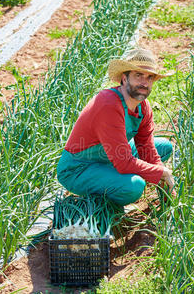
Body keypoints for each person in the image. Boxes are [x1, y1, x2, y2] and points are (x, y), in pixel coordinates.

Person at [57, 48, 175, 207]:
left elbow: (146, 148)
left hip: (112, 155)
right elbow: (123, 162)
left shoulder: (143, 107)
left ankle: (113, 180)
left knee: (165, 147)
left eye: (150, 77)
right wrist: (159, 172)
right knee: (134, 187)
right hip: (80, 167)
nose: (144, 83)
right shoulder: (108, 104)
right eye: (138, 75)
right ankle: (105, 207)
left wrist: (165, 185)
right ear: (124, 78)